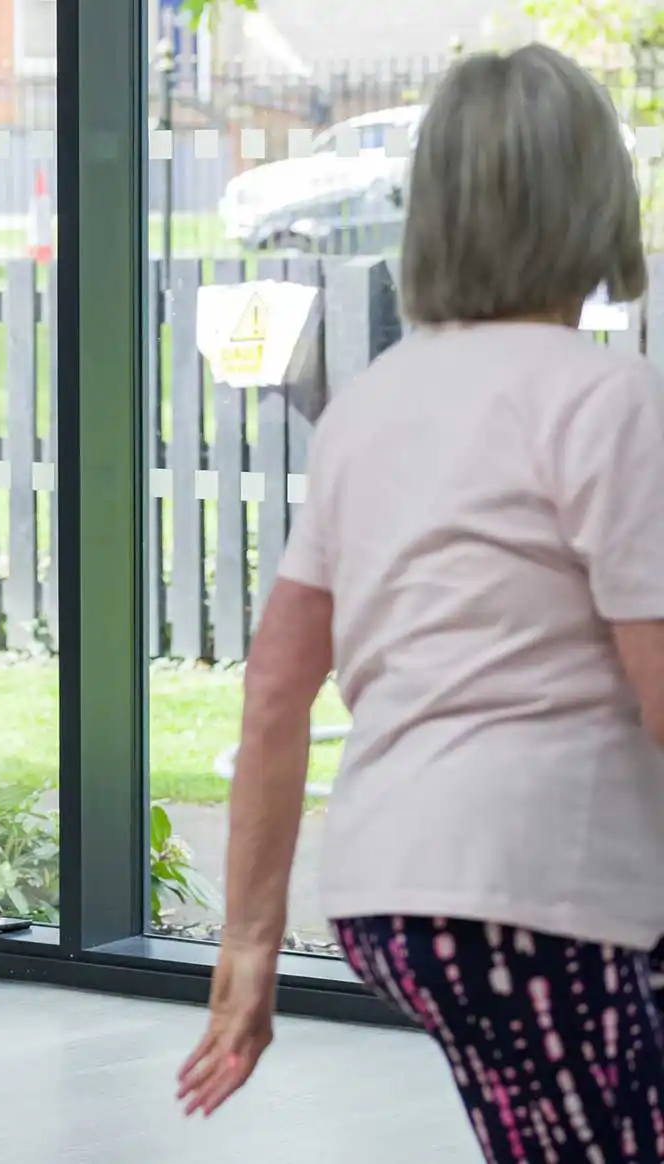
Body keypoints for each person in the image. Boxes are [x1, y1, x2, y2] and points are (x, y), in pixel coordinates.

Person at [176, 43, 664, 1162]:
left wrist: (249, 955)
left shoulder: (374, 403)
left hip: (399, 894)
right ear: (597, 201)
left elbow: (275, 694)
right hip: (537, 894)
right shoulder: (606, 400)